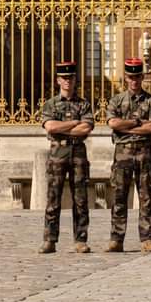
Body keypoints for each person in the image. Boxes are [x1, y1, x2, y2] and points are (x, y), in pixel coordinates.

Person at [106, 58, 151, 253]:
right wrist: (138, 123)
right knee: (119, 196)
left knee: (146, 196)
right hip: (122, 155)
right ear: (126, 78)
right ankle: (116, 238)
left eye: (137, 76)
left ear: (142, 77)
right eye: (130, 77)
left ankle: (147, 238)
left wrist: (126, 126)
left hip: (144, 154)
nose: (134, 80)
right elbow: (113, 123)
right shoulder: (116, 100)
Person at [38, 61, 94, 254]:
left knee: (80, 199)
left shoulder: (84, 104)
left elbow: (86, 128)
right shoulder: (50, 104)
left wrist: (64, 127)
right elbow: (50, 127)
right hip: (58, 154)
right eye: (64, 78)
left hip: (78, 153)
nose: (67, 81)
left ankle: (80, 239)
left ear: (75, 79)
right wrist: (74, 123)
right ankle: (50, 239)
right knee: (53, 198)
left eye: (70, 78)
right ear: (58, 80)